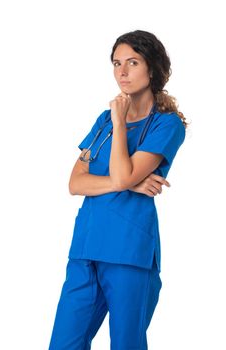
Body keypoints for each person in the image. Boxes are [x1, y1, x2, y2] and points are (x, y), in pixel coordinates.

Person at [48, 29, 188, 350]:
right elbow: (75, 182)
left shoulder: (166, 125)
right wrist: (131, 183)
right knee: (63, 344)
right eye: (116, 63)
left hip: (129, 253)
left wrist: (121, 124)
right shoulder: (104, 120)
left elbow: (122, 175)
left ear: (151, 68)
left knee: (126, 344)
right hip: (86, 247)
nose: (121, 72)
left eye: (132, 62)